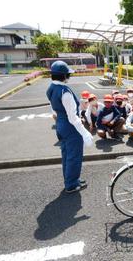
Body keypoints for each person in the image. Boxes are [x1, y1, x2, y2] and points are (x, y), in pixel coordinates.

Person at [46, 61, 93, 193]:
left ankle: (71, 179)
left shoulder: (51, 88)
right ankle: (71, 184)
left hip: (60, 124)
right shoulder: (65, 92)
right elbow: (73, 117)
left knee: (67, 155)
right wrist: (84, 133)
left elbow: (54, 109)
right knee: (74, 156)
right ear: (64, 75)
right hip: (70, 127)